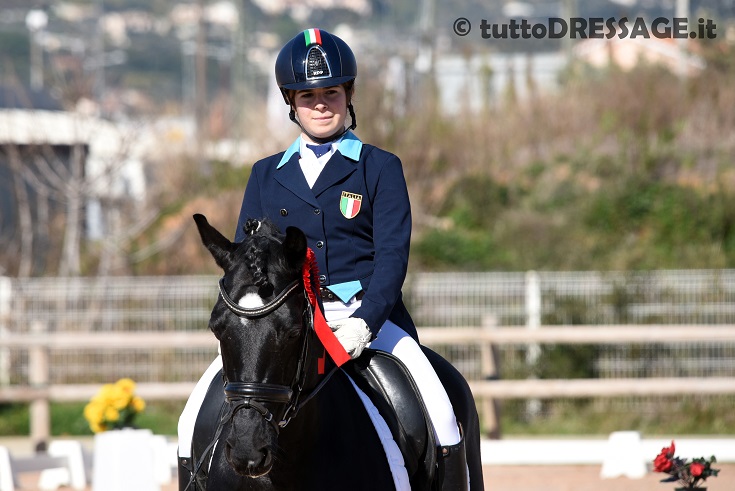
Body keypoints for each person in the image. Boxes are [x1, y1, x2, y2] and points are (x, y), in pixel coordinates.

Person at [178, 28, 468, 489]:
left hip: (365, 320)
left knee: (440, 411)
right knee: (190, 418)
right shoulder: (265, 175)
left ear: (348, 94)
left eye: (330, 92)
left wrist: (364, 323)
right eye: (308, 95)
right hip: (283, 325)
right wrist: (247, 327)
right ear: (291, 102)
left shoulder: (379, 167)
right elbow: (245, 266)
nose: (320, 104)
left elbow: (392, 258)